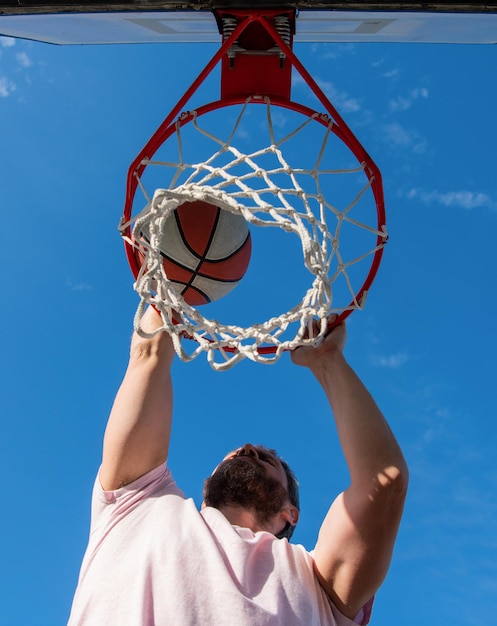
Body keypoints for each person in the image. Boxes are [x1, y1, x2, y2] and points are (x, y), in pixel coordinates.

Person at [68, 308, 408, 626]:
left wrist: (327, 361)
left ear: (291, 513)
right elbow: (148, 355)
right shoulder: (138, 502)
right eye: (240, 453)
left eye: (268, 459)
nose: (247, 450)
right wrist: (165, 292)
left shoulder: (319, 581)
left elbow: (385, 482)